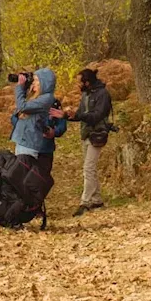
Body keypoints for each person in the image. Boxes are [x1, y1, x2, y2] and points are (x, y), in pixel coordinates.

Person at [53, 68, 113, 216]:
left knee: (88, 168)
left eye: (79, 82)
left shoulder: (103, 94)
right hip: (86, 134)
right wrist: (66, 116)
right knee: (90, 168)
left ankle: (85, 202)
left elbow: (97, 115)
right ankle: (97, 199)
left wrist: (79, 115)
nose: (78, 85)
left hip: (97, 134)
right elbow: (81, 114)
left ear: (87, 82)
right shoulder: (86, 94)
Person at [9, 68, 68, 177]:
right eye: (33, 80)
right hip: (26, 140)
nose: (34, 83)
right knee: (26, 179)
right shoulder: (33, 98)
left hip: (42, 147)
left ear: (44, 83)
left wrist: (20, 88)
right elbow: (15, 117)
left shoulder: (49, 100)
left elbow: (62, 125)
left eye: (36, 80)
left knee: (33, 180)